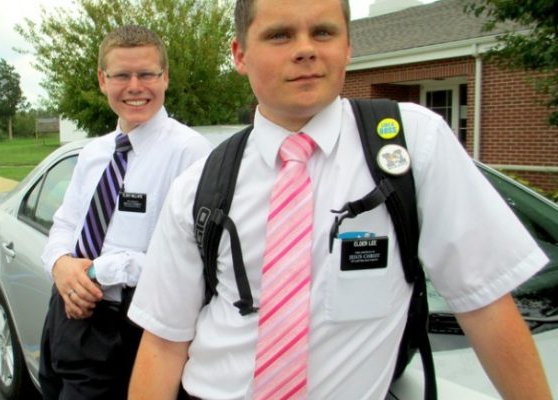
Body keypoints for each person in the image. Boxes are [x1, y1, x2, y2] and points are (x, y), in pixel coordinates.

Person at [126, 0, 553, 399]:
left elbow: (483, 301)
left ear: (348, 47)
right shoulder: (200, 184)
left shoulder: (412, 147)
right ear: (240, 54)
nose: (306, 50)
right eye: (280, 35)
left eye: (324, 32)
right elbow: (164, 342)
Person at [38, 24, 211, 399]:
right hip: (67, 313)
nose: (135, 86)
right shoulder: (93, 153)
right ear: (103, 80)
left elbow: (192, 262)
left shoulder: (191, 154)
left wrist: (100, 270)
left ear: (165, 77)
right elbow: (65, 224)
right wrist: (61, 266)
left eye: (147, 74)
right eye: (121, 75)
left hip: (134, 327)